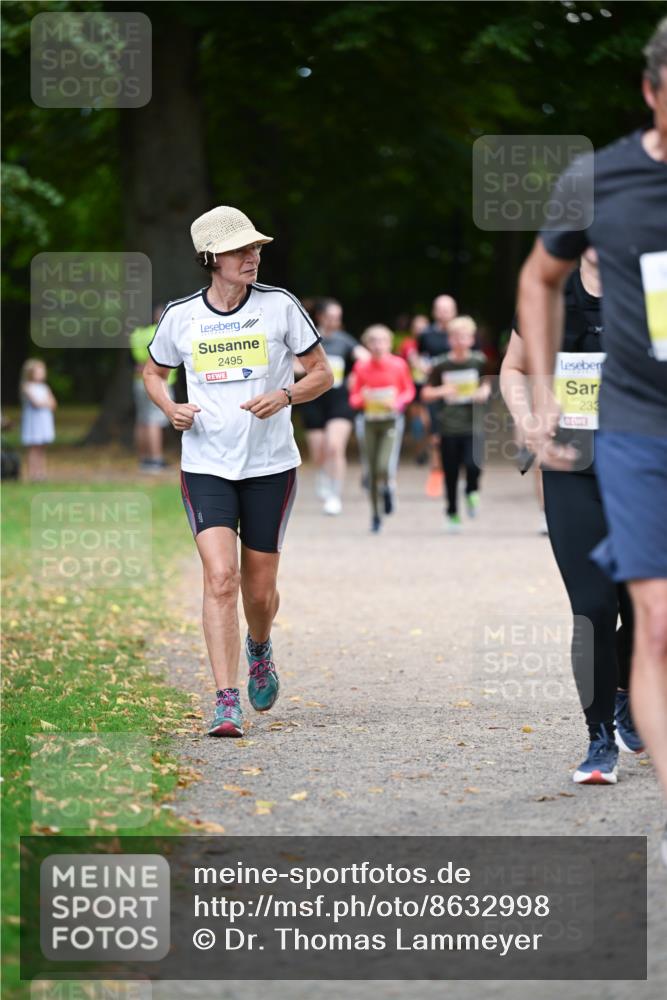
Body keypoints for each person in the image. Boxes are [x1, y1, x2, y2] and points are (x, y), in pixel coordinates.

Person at [518, 18, 667, 858]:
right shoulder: (601, 188)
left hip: (642, 434)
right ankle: (601, 734)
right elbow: (528, 305)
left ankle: (628, 706)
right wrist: (535, 403)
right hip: (592, 450)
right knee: (606, 608)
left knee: (649, 615)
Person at [143, 205, 332, 738]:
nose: (253, 257)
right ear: (211, 258)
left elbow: (322, 373)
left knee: (259, 592)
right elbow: (153, 372)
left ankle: (260, 646)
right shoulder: (181, 316)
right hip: (206, 464)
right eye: (240, 250)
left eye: (255, 248)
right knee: (221, 578)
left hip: (270, 465)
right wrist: (169, 407)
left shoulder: (280, 306)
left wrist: (286, 394)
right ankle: (226, 701)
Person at [502, 251, 638, 784]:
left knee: (645, 609)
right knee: (593, 607)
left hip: (644, 471)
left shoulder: (652, 289)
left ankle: (627, 688)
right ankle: (599, 738)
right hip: (571, 465)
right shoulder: (549, 294)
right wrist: (526, 418)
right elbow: (514, 367)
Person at [296, 298, 367, 515]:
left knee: (335, 447)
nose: (334, 322)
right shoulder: (307, 337)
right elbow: (292, 364)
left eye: (338, 318)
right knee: (319, 452)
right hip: (313, 399)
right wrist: (308, 371)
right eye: (330, 317)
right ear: (320, 316)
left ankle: (335, 495)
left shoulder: (345, 340)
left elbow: (365, 359)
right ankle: (323, 475)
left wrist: (357, 377)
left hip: (339, 400)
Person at [421, 316, 490, 532]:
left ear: (471, 339)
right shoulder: (441, 364)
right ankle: (452, 514)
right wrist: (442, 391)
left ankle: (471, 490)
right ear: (449, 340)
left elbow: (489, 383)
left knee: (473, 465)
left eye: (464, 337)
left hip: (473, 424)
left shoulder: (479, 361)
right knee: (450, 472)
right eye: (455, 337)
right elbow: (425, 393)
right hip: (449, 426)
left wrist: (483, 391)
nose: (460, 341)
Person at [348, 324, 415, 532]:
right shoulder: (361, 367)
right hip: (369, 422)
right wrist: (363, 399)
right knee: (371, 470)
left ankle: (388, 488)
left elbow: (408, 391)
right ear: (367, 345)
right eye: (373, 341)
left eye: (382, 341)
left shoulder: (399, 365)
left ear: (389, 343)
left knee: (384, 467)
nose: (378, 345)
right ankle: (376, 515)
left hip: (390, 422)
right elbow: (354, 398)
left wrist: (397, 403)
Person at [130, 304, 177, 473]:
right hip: (159, 381)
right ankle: (156, 459)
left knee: (142, 420)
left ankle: (144, 459)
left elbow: (138, 359)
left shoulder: (137, 334)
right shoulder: (159, 332)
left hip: (139, 380)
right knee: (154, 421)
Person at [418, 294, 458, 497]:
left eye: (447, 309)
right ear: (434, 312)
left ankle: (454, 472)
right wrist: (421, 366)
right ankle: (436, 472)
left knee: (455, 435)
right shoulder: (426, 335)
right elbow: (419, 356)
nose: (443, 313)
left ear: (454, 311)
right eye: (440, 309)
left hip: (457, 392)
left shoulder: (462, 333)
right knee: (435, 435)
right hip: (434, 390)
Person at [20, 359, 56, 481]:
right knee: (33, 448)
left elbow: (53, 403)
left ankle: (41, 473)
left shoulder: (45, 387)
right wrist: (46, 403)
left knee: (41, 448)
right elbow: (37, 403)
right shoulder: (27, 387)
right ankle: (32, 474)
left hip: (44, 421)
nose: (41, 374)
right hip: (34, 422)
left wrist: (45, 403)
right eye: (38, 372)